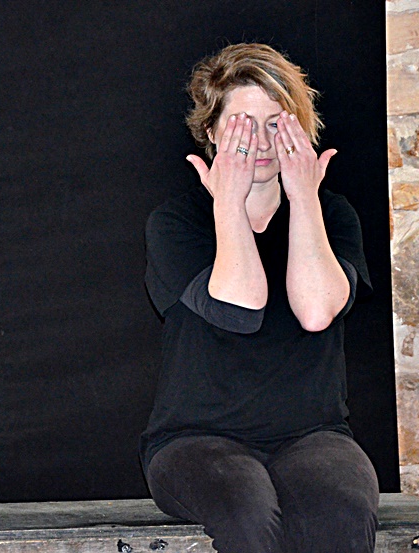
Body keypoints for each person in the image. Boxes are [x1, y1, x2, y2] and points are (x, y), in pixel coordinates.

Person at [139, 43, 379, 552]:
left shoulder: (333, 216)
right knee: (246, 508)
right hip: (195, 441)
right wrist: (228, 200)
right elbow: (238, 307)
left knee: (343, 508)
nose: (263, 142)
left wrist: (304, 198)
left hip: (312, 434)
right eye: (243, 125)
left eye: (276, 123)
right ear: (212, 133)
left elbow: (316, 312)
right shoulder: (176, 222)